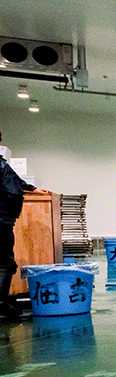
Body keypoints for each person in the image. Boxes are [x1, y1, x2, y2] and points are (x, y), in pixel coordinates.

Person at [0, 135, 38, 320]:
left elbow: (13, 182)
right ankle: (1, 304)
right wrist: (14, 213)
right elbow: (13, 191)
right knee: (5, 262)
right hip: (1, 222)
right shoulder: (1, 166)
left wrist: (29, 187)